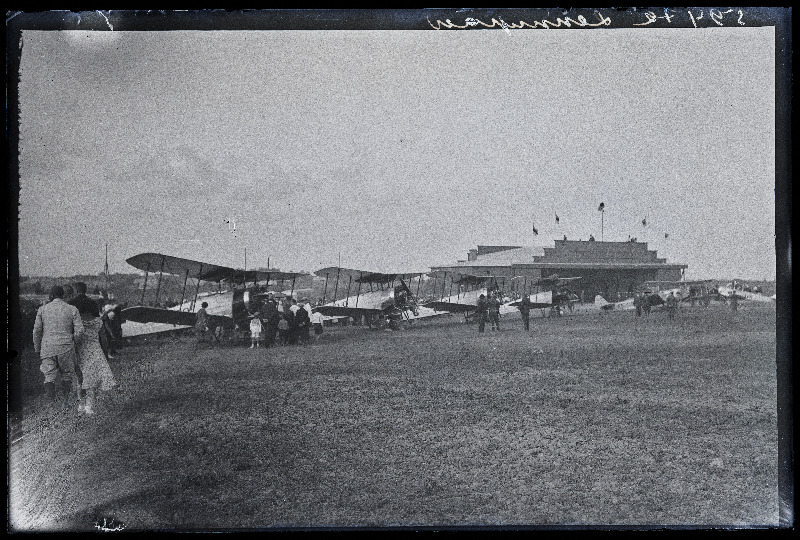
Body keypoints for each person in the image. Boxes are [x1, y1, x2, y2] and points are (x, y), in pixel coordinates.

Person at [33, 285, 84, 404]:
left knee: (49, 376)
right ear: (63, 295)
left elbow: (37, 331)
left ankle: (51, 402)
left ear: (51, 295)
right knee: (66, 375)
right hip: (66, 346)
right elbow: (80, 330)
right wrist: (74, 343)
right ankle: (65, 401)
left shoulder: (42, 309)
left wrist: (37, 348)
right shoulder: (72, 309)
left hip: (47, 347)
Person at [74, 297, 116, 415]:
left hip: (81, 352)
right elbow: (103, 339)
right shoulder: (98, 321)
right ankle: (89, 406)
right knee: (93, 382)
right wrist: (106, 352)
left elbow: (75, 339)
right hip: (95, 351)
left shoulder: (77, 322)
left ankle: (81, 404)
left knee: (81, 380)